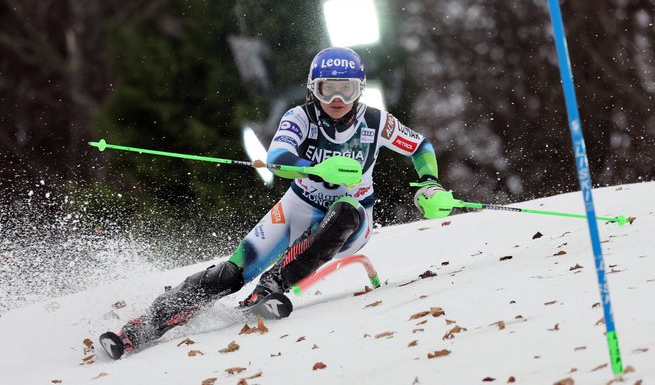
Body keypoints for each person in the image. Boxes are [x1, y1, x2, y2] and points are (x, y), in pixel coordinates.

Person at [99, 46, 447, 359]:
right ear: (314, 89)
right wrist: (313, 167)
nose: (338, 98)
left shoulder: (377, 121)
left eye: (348, 88)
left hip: (353, 219)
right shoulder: (299, 117)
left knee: (343, 212)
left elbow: (420, 147)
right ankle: (140, 329)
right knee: (230, 273)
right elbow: (278, 157)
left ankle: (272, 287)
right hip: (298, 204)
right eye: (328, 88)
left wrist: (430, 185)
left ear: (361, 89)